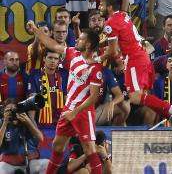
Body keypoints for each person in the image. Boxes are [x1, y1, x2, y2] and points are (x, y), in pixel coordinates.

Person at [97, 0, 172, 140]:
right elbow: (119, 40)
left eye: (101, 4)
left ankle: (171, 110)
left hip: (134, 61)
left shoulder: (110, 23)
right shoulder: (123, 16)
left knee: (135, 97)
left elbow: (112, 50)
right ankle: (171, 115)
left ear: (109, 7)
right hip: (142, 58)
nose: (99, 7)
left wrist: (97, 59)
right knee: (142, 96)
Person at [27, 21, 104, 173]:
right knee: (57, 145)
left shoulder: (95, 68)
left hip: (83, 112)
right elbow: (52, 44)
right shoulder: (72, 53)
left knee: (89, 149)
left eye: (80, 39)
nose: (76, 40)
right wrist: (35, 30)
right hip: (68, 109)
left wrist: (75, 112)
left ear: (87, 45)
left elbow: (94, 97)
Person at [0, 98, 48, 173]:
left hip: (28, 163)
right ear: (3, 112)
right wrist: (5, 123)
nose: (12, 112)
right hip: (8, 164)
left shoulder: (25, 120)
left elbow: (40, 138)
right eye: (8, 111)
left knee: (46, 164)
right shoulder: (2, 122)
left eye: (14, 110)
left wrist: (28, 122)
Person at [27, 49, 68, 128]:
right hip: (41, 122)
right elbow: (31, 100)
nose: (53, 61)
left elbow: (67, 99)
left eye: (56, 59)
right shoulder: (35, 75)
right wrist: (33, 125)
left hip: (61, 121)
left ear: (58, 61)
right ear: (44, 59)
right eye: (50, 58)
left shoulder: (64, 74)